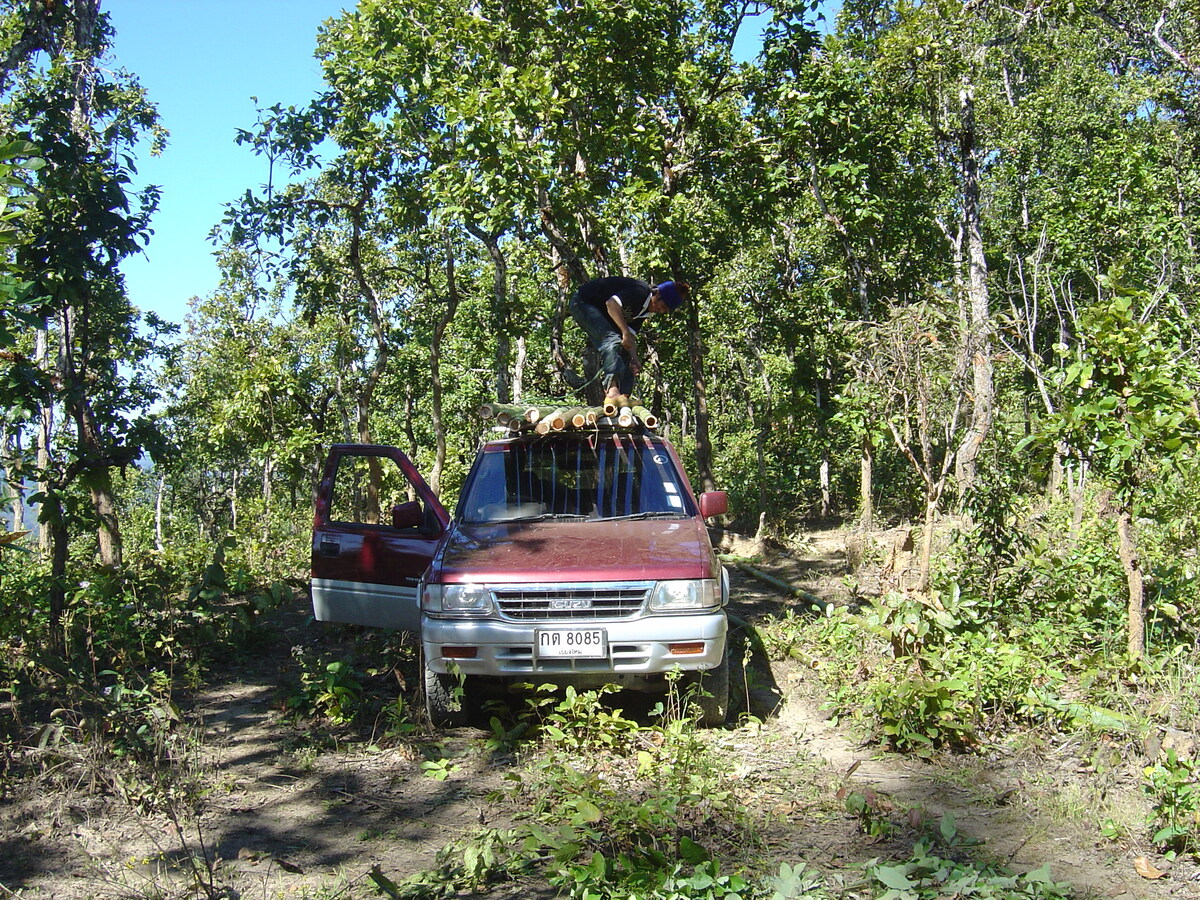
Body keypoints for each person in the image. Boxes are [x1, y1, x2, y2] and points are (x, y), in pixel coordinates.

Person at [569, 276, 689, 402]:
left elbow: (629, 338)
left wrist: (634, 357)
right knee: (612, 341)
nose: (662, 311)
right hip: (583, 303)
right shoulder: (640, 291)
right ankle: (612, 391)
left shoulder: (645, 311)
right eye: (664, 306)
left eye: (667, 310)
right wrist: (625, 332)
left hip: (604, 313)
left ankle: (624, 396)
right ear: (657, 294)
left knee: (625, 350)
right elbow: (611, 304)